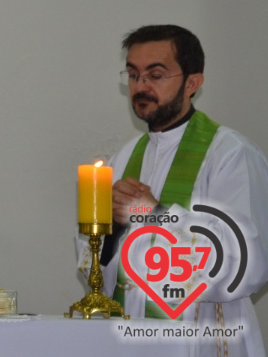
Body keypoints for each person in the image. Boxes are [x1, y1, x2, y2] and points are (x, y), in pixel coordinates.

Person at [80, 25, 268, 356]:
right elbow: (99, 271)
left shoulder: (229, 154)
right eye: (133, 75)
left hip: (203, 338)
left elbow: (247, 266)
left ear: (192, 83)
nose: (141, 86)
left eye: (155, 75)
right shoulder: (126, 156)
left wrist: (154, 214)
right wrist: (113, 226)